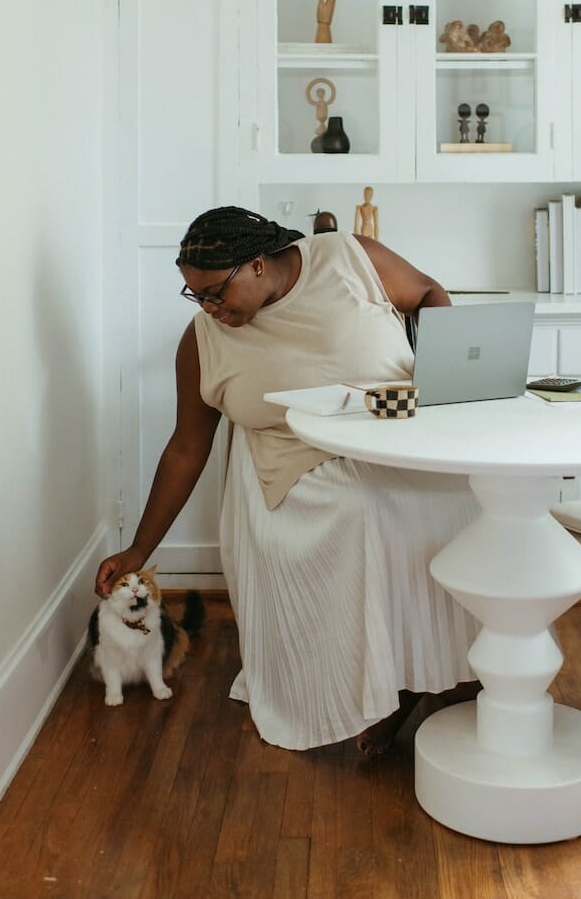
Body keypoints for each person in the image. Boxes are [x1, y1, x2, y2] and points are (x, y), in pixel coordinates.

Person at [95, 206, 480, 754]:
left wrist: (449, 381)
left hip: (404, 440)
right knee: (363, 509)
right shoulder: (202, 341)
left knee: (462, 495)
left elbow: (427, 292)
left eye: (214, 292)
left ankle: (443, 668)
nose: (208, 308)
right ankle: (384, 690)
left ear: (256, 264)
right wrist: (139, 547)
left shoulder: (351, 258)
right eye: (195, 295)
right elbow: (186, 449)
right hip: (299, 466)